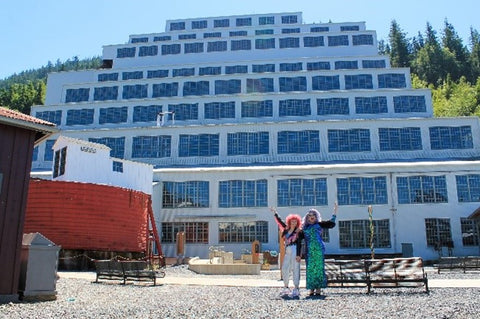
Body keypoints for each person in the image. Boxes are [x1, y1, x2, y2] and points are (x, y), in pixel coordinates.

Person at [298, 202, 337, 296]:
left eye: (313, 215)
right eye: (309, 215)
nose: (311, 217)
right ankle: (311, 289)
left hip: (319, 250)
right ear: (307, 217)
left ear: (316, 217)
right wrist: (298, 254)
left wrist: (335, 211)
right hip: (309, 252)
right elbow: (298, 240)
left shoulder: (319, 224)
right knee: (310, 269)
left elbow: (331, 224)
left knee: (319, 269)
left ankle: (318, 289)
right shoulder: (304, 228)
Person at [270, 207, 302, 298]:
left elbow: (301, 243)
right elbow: (279, 221)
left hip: (295, 249)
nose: (293, 223)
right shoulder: (285, 229)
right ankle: (286, 286)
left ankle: (296, 288)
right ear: (289, 221)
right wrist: (275, 212)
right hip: (287, 250)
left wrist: (299, 255)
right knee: (285, 268)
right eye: (292, 221)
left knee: (296, 269)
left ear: (297, 222)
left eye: (295, 221)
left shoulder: (299, 232)